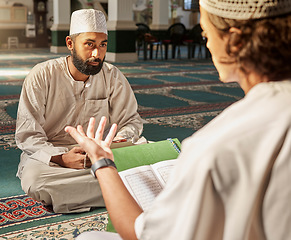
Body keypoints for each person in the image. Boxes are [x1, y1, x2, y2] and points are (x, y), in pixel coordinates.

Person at [65, 0, 291, 239]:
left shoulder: (217, 143)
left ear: (234, 42)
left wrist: (102, 162)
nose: (209, 43)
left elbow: (141, 232)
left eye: (206, 34)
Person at [15, 9, 143, 214]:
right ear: (70, 44)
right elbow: (28, 134)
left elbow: (131, 121)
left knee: (160, 157)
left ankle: (98, 188)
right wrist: (61, 158)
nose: (97, 54)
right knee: (35, 180)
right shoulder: (42, 75)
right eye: (89, 44)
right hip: (55, 156)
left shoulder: (112, 76)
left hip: (102, 153)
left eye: (103, 45)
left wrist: (114, 145)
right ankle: (129, 189)